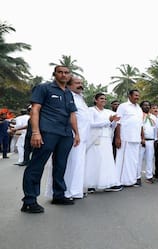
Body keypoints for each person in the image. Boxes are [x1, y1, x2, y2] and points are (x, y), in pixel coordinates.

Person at [21, 65, 80, 213]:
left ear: (69, 75)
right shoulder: (44, 88)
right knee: (36, 165)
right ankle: (29, 200)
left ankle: (58, 195)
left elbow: (72, 115)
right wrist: (36, 132)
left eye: (66, 73)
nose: (63, 75)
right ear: (55, 74)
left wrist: (76, 133)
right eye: (60, 72)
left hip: (65, 134)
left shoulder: (69, 93)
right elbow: (35, 110)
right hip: (47, 132)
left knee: (61, 165)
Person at [85, 93, 122, 193]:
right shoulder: (91, 110)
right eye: (101, 98)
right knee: (94, 161)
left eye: (105, 99)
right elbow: (91, 124)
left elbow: (112, 126)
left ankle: (107, 183)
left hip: (106, 138)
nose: (103, 100)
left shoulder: (109, 112)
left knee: (107, 161)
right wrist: (108, 121)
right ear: (96, 100)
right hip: (95, 139)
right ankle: (91, 185)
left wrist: (114, 121)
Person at [63, 77, 92, 198]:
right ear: (69, 85)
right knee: (72, 164)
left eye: (81, 83)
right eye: (77, 83)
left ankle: (76, 191)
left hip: (83, 137)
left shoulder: (80, 98)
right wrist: (76, 134)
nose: (80, 85)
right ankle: (67, 191)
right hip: (74, 136)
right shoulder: (68, 96)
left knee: (79, 164)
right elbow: (70, 117)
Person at [115, 89, 144, 187]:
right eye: (135, 95)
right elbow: (118, 123)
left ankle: (130, 180)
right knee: (122, 161)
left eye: (138, 96)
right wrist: (118, 138)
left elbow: (140, 124)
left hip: (136, 139)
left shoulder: (139, 108)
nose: (137, 97)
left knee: (133, 161)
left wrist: (141, 137)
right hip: (125, 138)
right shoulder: (123, 106)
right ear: (130, 96)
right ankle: (119, 181)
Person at [137, 100, 157, 184]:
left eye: (148, 105)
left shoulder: (153, 117)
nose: (147, 107)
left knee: (150, 159)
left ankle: (149, 176)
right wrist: (141, 139)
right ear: (141, 107)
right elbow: (138, 128)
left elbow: (155, 128)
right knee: (139, 159)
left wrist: (155, 139)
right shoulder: (139, 116)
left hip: (151, 140)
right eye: (145, 105)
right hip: (141, 141)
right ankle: (137, 177)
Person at [151, 104, 158, 179]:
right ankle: (149, 174)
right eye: (154, 108)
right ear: (151, 110)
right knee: (150, 157)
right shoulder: (149, 117)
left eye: (157, 108)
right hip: (151, 140)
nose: (155, 109)